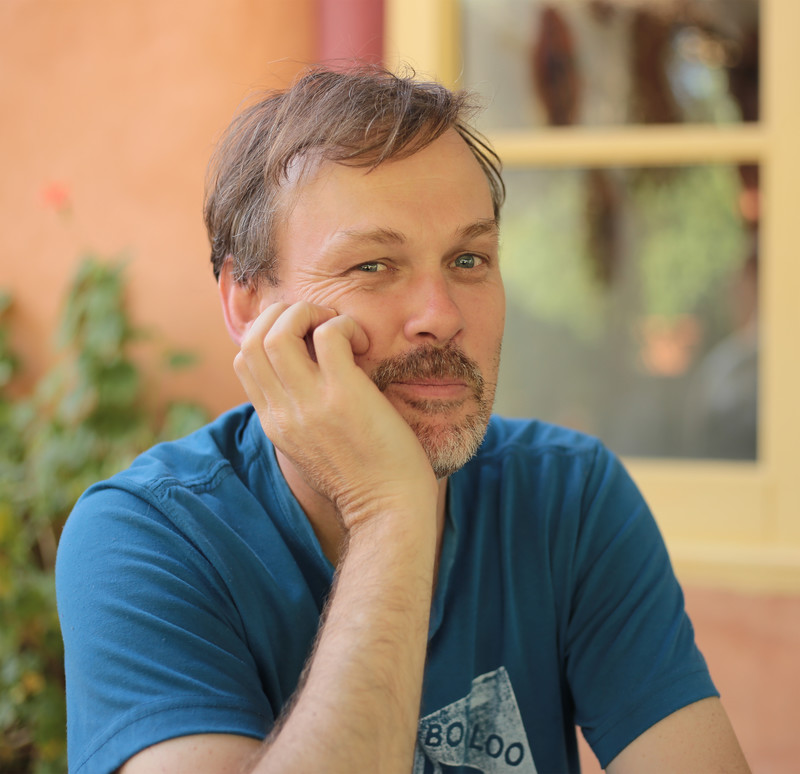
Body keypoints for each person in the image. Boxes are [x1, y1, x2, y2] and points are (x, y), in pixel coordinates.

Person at [56, 66, 750, 774]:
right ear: (246, 301)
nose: (441, 316)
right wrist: (389, 511)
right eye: (373, 265)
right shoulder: (147, 540)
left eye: (469, 259)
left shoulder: (567, 499)